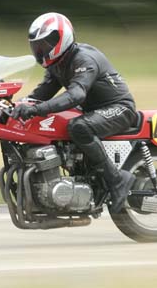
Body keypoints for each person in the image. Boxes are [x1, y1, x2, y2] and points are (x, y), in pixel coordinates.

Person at [11, 12, 137, 213]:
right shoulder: (57, 64)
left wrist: (36, 110)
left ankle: (118, 180)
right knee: (56, 123)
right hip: (93, 110)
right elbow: (40, 95)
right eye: (37, 46)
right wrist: (15, 106)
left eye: (45, 44)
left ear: (61, 39)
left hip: (119, 108)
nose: (40, 50)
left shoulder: (83, 59)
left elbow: (76, 94)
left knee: (78, 126)